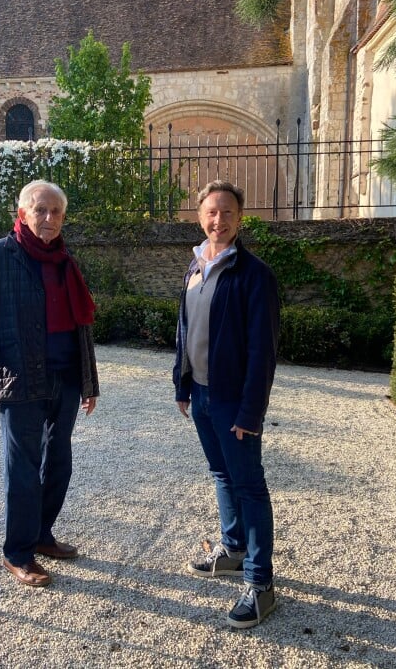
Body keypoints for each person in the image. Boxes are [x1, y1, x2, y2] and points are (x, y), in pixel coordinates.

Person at [0, 179, 99, 588]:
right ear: (22, 214)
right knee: (22, 469)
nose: (49, 218)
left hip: (66, 376)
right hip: (19, 378)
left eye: (56, 212)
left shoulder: (66, 260)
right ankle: (16, 552)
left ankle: (41, 534)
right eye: (40, 210)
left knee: (58, 463)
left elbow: (81, 325)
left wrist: (89, 382)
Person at [173, 180, 280, 628]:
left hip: (233, 401)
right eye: (211, 212)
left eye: (228, 213)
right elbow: (186, 330)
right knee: (221, 474)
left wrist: (250, 413)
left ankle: (260, 585)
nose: (219, 220)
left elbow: (263, 351)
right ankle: (233, 549)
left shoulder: (254, 275)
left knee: (249, 486)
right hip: (199, 394)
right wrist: (182, 385)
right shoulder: (194, 267)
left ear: (240, 219)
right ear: (200, 216)